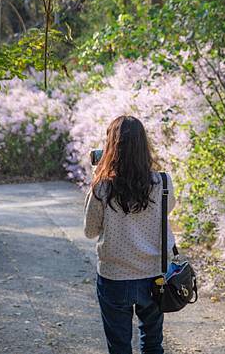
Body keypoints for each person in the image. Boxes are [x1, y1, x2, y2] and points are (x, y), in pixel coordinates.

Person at [83, 115, 176, 354]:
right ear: (143, 147)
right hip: (154, 275)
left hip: (114, 277)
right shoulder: (163, 182)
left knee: (119, 346)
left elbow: (90, 231)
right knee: (153, 343)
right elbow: (168, 209)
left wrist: (98, 178)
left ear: (111, 147)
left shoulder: (102, 187)